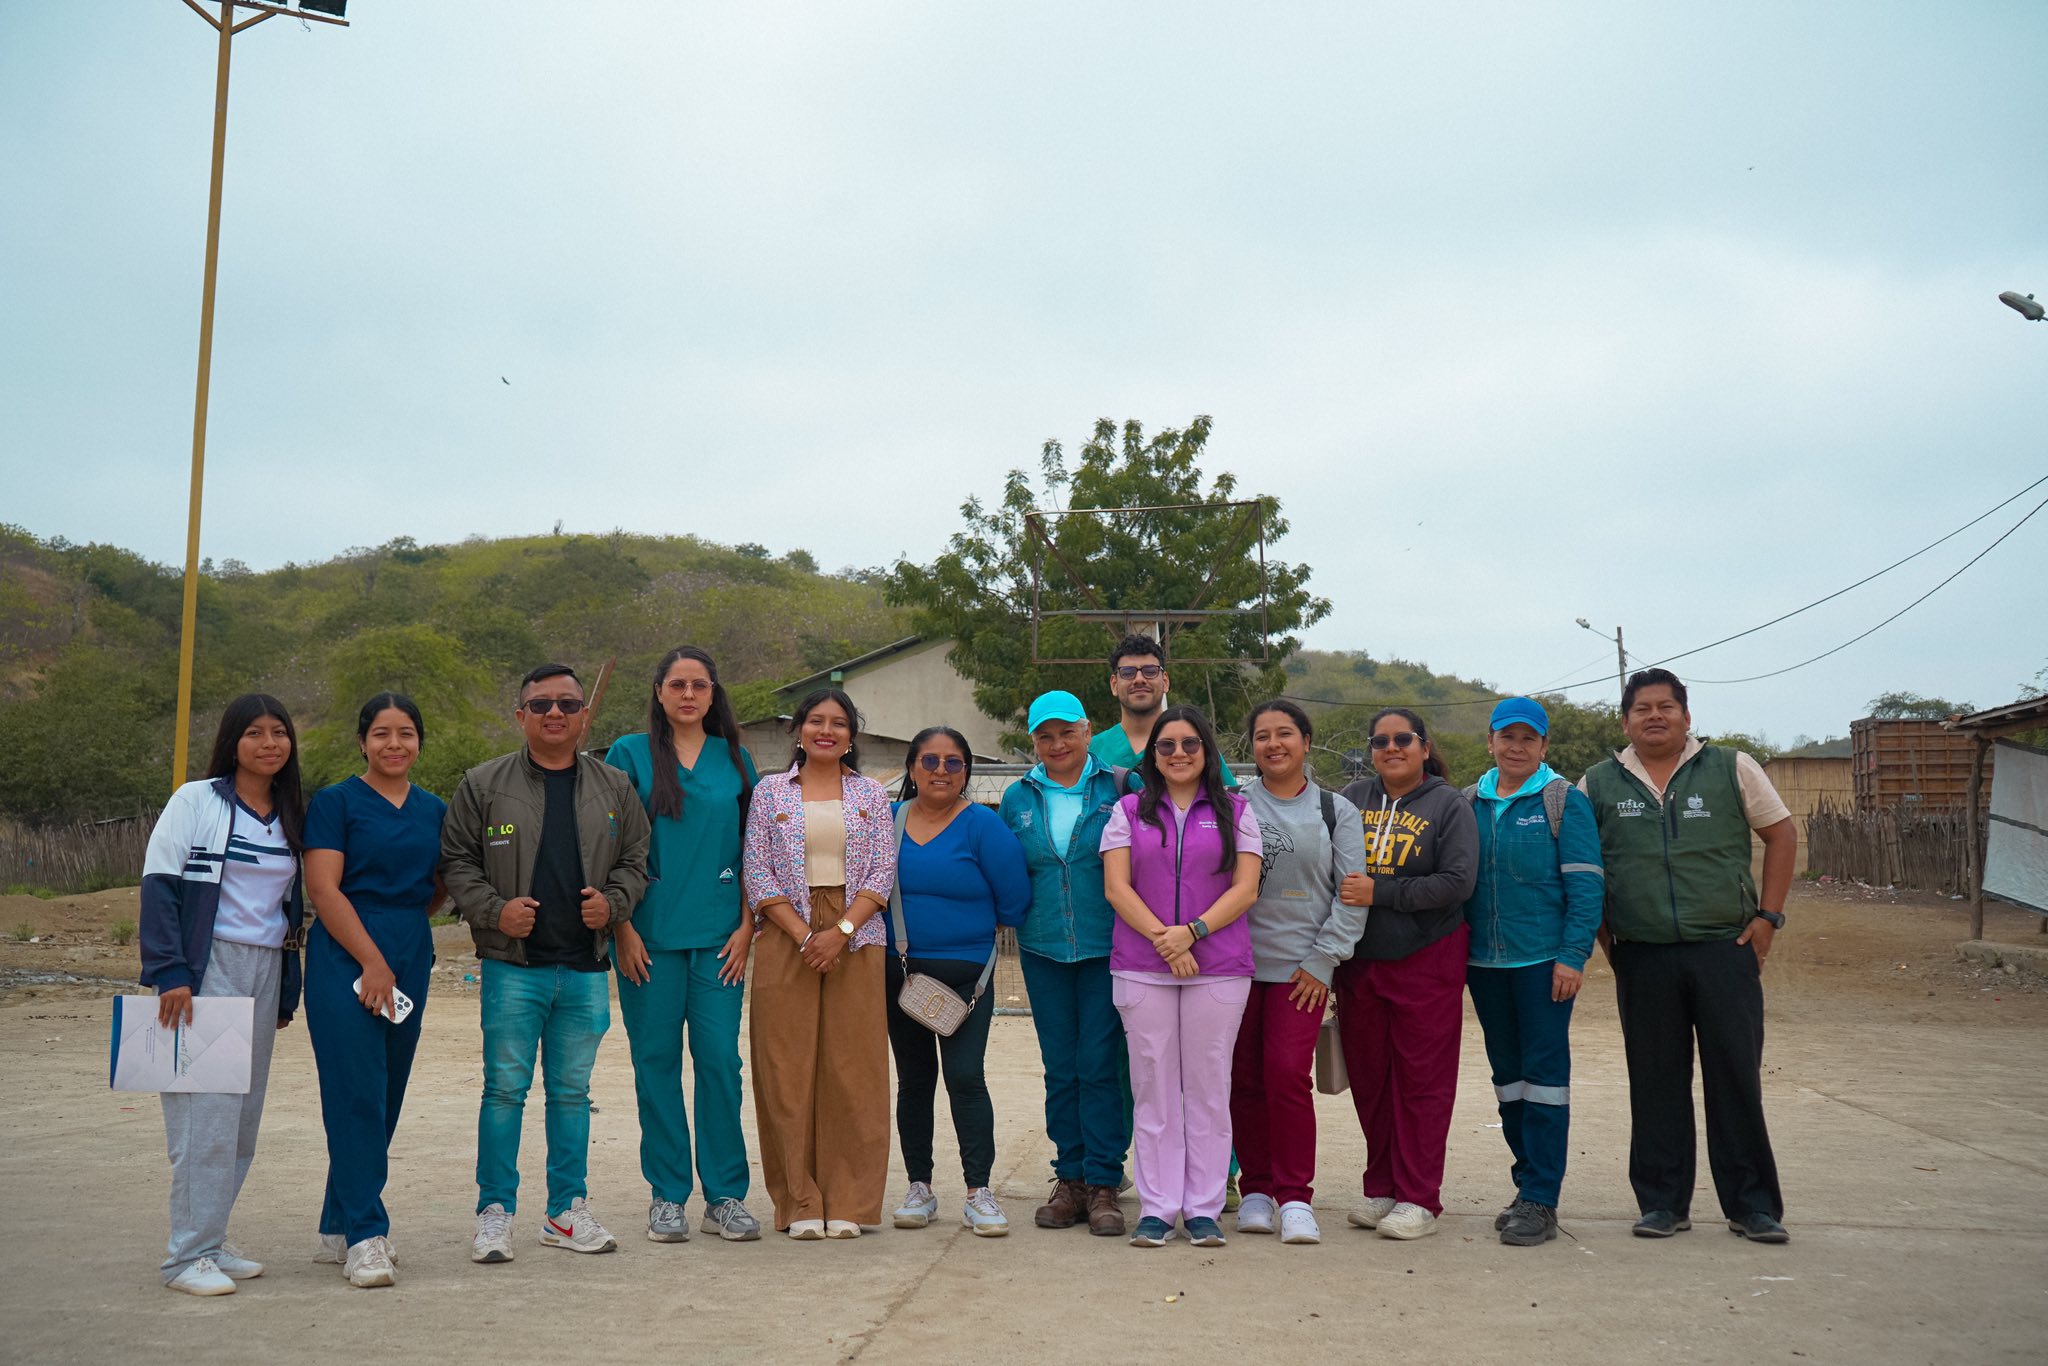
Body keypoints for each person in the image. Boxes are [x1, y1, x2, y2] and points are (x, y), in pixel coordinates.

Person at [441, 663, 651, 1263]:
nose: (554, 713)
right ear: (520, 715)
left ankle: (565, 1211)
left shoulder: (614, 787)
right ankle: (494, 1213)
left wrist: (612, 905)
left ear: (584, 716)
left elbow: (636, 858)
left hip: (584, 968)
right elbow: (457, 860)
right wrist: (495, 912)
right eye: (540, 705)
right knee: (504, 1092)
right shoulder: (483, 784)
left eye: (567, 704)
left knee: (571, 1094)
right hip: (513, 966)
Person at [1580, 668, 1797, 1244]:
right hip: (1642, 953)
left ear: (1686, 716)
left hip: (1725, 949)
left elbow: (1781, 834)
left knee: (1735, 1077)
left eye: (1666, 707)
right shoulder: (1597, 783)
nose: (1655, 716)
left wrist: (1768, 917)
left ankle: (1752, 1206)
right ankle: (1662, 1203)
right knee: (1655, 1081)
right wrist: (1607, 937)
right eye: (1642, 708)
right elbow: (1582, 864)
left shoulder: (1731, 767)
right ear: (1625, 722)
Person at [139, 693, 308, 1296]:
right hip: (207, 968)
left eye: (279, 732)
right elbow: (160, 884)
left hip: (266, 968)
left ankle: (209, 1240)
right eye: (254, 732)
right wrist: (170, 972)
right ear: (232, 741)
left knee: (241, 1122)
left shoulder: (292, 813)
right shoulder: (197, 800)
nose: (269, 743)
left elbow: (290, 908)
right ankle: (185, 1258)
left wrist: (284, 994)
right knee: (205, 1118)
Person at [604, 647, 763, 1244]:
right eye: (678, 684)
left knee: (720, 1061)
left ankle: (724, 1195)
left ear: (713, 693)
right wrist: (622, 927)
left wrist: (747, 927)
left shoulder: (735, 758)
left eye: (699, 685)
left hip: (721, 938)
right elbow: (607, 847)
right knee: (656, 1063)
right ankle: (667, 1195)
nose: (689, 694)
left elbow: (753, 850)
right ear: (659, 692)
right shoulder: (628, 754)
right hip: (648, 938)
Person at [1101, 705, 1262, 1248]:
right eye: (1166, 745)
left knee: (1209, 1090)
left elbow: (1246, 889)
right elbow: (1117, 888)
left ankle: (1203, 1209)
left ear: (1207, 751)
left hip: (1217, 969)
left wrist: (1191, 933)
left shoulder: (1238, 811)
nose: (1178, 754)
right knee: (1153, 1089)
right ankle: (1158, 1207)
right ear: (1152, 756)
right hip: (1142, 968)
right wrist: (1165, 942)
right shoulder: (1127, 810)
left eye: (1190, 744)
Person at [302, 693, 448, 1288]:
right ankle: (367, 1235)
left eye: (406, 733)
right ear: (362, 742)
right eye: (382, 733)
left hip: (410, 946)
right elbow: (323, 888)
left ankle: (337, 1223)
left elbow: (440, 885)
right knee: (354, 1089)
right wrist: (372, 957)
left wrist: (403, 932)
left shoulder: (434, 808)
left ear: (419, 742)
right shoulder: (334, 803)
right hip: (346, 952)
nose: (394, 744)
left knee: (385, 1092)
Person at [741, 688, 897, 1239]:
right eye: (815, 721)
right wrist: (806, 935)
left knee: (854, 1069)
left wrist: (841, 933)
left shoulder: (871, 794)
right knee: (785, 1066)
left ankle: (850, 1200)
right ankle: (799, 1200)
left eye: (838, 723)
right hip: (787, 930)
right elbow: (757, 869)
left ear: (851, 735)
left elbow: (882, 871)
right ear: (799, 730)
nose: (826, 731)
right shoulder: (769, 791)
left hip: (858, 932)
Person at [1460, 697, 1604, 1248]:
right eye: (1507, 737)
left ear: (1544, 746)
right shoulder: (1468, 802)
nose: (1516, 748)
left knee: (1544, 1080)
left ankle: (1542, 1198)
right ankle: (1526, 1186)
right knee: (1508, 1079)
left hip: (1543, 963)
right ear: (1490, 742)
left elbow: (1586, 885)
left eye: (1528, 738)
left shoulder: (1562, 801)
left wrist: (1572, 956)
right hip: (1484, 965)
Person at [1335, 707, 1479, 1241]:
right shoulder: (1351, 799)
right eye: (1380, 741)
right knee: (1371, 1078)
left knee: (1422, 1081)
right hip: (1360, 960)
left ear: (1424, 747)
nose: (1391, 748)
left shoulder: (1449, 804)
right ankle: (1383, 1187)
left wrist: (1383, 892)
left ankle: (1420, 1196)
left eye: (1403, 739)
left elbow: (1457, 882)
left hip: (1427, 955)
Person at [1231, 700, 1369, 1247]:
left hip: (1303, 971)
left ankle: (1294, 1198)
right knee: (1243, 1078)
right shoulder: (1233, 804)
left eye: (1285, 733)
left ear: (1306, 742)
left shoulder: (1337, 811)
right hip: (1236, 967)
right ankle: (1255, 1190)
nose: (1274, 744)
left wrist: (1324, 960)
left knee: (1286, 1076)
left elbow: (1352, 894)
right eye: (1262, 735)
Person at [885, 726, 1031, 1237]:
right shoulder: (890, 820)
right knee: (914, 1080)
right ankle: (919, 1187)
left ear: (967, 770)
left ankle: (978, 1191)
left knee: (966, 1077)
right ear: (911, 768)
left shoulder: (983, 826)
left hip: (970, 979)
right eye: (930, 761)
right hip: (901, 974)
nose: (941, 771)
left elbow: (1014, 901)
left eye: (953, 762)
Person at [997, 690, 1132, 1237]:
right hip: (1043, 946)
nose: (1057, 744)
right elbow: (1007, 868)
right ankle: (1069, 1180)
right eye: (1045, 736)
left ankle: (1103, 1182)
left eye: (1067, 732)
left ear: (1087, 731)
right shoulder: (1017, 797)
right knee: (1060, 1066)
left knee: (1099, 1064)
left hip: (1108, 945)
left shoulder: (1120, 787)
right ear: (1033, 741)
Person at [1091, 633, 1238, 789]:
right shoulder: (1092, 751)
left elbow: (1229, 800)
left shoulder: (1195, 746)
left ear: (1165, 681)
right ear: (1114, 684)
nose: (1139, 679)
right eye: (1128, 672)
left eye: (1150, 671)